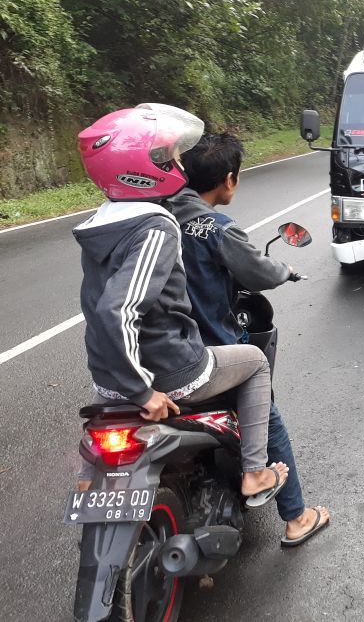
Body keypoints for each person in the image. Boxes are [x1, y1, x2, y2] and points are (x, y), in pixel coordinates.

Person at [73, 103, 287, 508]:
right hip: (168, 369)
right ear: (140, 168)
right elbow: (117, 311)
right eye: (167, 156)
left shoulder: (104, 221)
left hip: (107, 378)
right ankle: (255, 472)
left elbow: (100, 305)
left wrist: (124, 383)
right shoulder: (155, 226)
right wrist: (142, 392)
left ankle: (89, 484)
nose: (176, 164)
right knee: (256, 362)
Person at [166, 133, 330, 547]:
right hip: (207, 352)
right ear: (229, 179)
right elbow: (257, 271)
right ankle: (296, 516)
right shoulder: (216, 227)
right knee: (267, 414)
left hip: (153, 356)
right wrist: (285, 270)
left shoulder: (156, 217)